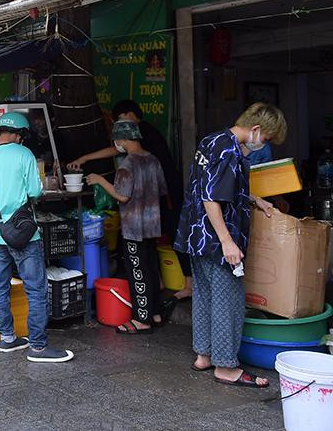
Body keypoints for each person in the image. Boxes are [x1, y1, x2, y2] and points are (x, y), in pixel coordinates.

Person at [175, 102, 286, 388]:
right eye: (268, 139)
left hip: (196, 236)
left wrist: (254, 199)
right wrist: (227, 241)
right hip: (216, 239)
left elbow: (212, 184)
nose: (265, 145)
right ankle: (225, 366)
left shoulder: (212, 140)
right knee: (229, 301)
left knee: (204, 294)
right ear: (257, 130)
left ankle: (204, 354)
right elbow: (212, 197)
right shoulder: (230, 151)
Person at [0, 112, 74, 363]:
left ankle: (7, 338)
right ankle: (37, 347)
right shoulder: (24, 155)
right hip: (25, 233)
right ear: (18, 135)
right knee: (36, 289)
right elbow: (35, 191)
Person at [69, 100, 192, 300]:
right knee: (151, 249)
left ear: (129, 115)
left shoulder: (140, 138)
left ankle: (187, 285)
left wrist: (96, 175)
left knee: (174, 236)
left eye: (119, 121)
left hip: (165, 196)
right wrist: (85, 158)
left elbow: (123, 194)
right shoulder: (144, 148)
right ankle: (157, 287)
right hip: (156, 198)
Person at [86, 120, 168, 334]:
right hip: (152, 225)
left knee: (138, 271)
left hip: (133, 227)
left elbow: (122, 196)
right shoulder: (152, 159)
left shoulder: (128, 164)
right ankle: (155, 312)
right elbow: (160, 191)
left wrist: (99, 181)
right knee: (151, 268)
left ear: (121, 140)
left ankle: (142, 319)